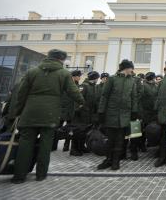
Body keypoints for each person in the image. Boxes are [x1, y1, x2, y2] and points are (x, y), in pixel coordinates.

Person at [11, 49, 85, 184]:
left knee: (25, 143)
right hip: (50, 114)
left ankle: (19, 176)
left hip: (30, 113)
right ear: (61, 60)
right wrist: (81, 102)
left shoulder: (32, 72)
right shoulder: (63, 73)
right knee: (46, 144)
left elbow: (21, 94)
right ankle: (40, 174)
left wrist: (18, 111)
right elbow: (73, 92)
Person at [97, 59, 138, 170]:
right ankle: (108, 160)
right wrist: (101, 111)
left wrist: (134, 111)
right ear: (126, 68)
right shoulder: (112, 79)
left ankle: (116, 161)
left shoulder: (132, 81)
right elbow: (104, 96)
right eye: (131, 68)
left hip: (124, 115)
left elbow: (133, 97)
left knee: (120, 140)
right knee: (110, 140)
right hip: (111, 113)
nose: (132, 70)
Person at [70, 71, 100, 156]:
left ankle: (82, 147)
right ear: (94, 78)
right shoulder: (84, 86)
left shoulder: (93, 86)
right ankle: (74, 149)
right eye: (97, 78)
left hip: (88, 114)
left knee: (84, 131)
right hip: (81, 114)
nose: (98, 79)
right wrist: (78, 110)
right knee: (78, 131)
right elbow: (78, 99)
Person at [56, 70, 82, 152]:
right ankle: (53, 145)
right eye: (79, 76)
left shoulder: (78, 86)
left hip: (71, 111)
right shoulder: (66, 84)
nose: (80, 77)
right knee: (57, 128)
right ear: (74, 76)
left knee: (70, 129)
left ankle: (66, 146)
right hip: (63, 110)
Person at [139, 72, 158, 152]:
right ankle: (141, 145)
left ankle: (149, 143)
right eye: (153, 78)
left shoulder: (155, 86)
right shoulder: (144, 86)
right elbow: (140, 99)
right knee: (143, 129)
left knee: (151, 129)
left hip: (153, 112)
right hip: (145, 112)